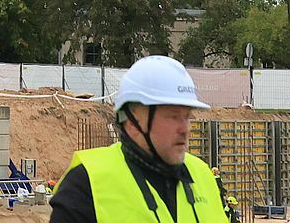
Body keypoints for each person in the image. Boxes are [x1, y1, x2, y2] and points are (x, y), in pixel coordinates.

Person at [49, 55, 222, 223]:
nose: (185, 129)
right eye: (173, 116)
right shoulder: (86, 185)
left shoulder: (203, 176)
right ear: (132, 121)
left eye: (187, 117)